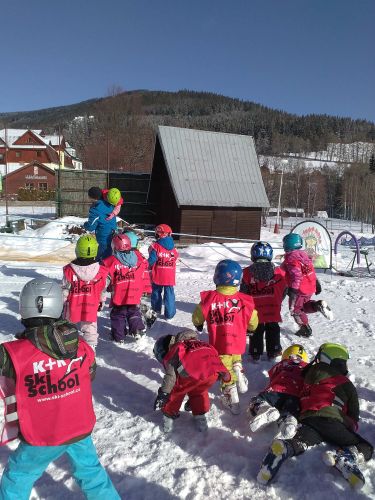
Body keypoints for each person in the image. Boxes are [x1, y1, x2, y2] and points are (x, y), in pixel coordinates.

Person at [0, 278, 120, 500]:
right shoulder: (81, 345)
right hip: (78, 427)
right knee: (92, 474)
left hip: (43, 433)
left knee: (18, 475)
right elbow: (90, 373)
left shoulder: (11, 353)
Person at [257, 343, 373, 490]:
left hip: (308, 419)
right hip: (332, 420)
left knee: (301, 441)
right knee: (366, 447)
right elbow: (354, 413)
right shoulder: (345, 382)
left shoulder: (308, 376)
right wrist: (351, 425)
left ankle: (285, 448)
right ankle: (345, 457)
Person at [192, 259, 258, 414]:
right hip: (238, 339)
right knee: (235, 355)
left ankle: (231, 395)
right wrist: (251, 328)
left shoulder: (209, 299)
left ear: (216, 277)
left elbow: (197, 316)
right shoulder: (244, 300)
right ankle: (238, 369)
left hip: (219, 341)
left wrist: (198, 324)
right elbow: (253, 319)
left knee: (224, 367)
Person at [153, 329, 230, 433]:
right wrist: (224, 373)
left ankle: (168, 419)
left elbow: (171, 375)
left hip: (191, 375)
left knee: (176, 391)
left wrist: (164, 393)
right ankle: (201, 418)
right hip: (211, 375)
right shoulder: (204, 344)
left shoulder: (177, 347)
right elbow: (215, 358)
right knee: (199, 392)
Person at [248, 344, 309, 439]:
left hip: (276, 390)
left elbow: (272, 374)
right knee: (291, 410)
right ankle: (289, 422)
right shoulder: (307, 367)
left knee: (258, 400)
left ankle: (264, 408)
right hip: (295, 395)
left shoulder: (283, 363)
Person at [240, 241, 287, 361]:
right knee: (273, 328)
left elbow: (243, 294)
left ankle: (256, 352)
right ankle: (274, 351)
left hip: (255, 310)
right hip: (273, 308)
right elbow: (284, 289)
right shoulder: (279, 272)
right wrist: (277, 300)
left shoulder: (246, 273)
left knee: (256, 329)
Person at [281, 233, 333, 338]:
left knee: (295, 310)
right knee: (304, 306)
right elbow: (310, 270)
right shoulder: (303, 255)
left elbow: (297, 276)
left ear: (287, 245)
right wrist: (316, 283)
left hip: (299, 290)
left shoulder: (292, 259)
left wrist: (293, 290)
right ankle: (317, 305)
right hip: (309, 287)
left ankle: (305, 329)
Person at [62, 234, 108, 351]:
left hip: (73, 305)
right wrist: (102, 300)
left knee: (67, 325)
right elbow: (103, 288)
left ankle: (68, 345)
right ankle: (91, 347)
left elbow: (65, 289)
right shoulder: (101, 271)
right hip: (91, 305)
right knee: (90, 327)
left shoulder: (69, 270)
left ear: (77, 250)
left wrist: (61, 303)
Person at [102, 233, 147, 342]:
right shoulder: (138, 258)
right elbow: (144, 270)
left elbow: (104, 277)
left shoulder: (111, 261)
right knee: (133, 312)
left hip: (120, 294)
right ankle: (137, 330)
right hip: (135, 293)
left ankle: (118, 336)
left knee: (118, 315)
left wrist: (104, 289)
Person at [148, 224, 179, 320]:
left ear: (159, 234)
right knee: (169, 294)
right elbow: (176, 257)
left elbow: (151, 260)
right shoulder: (173, 247)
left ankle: (156, 310)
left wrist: (147, 265)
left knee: (156, 292)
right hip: (169, 276)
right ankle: (169, 314)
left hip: (158, 275)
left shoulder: (156, 246)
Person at [83, 186, 117, 261]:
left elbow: (91, 226)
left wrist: (85, 224)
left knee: (102, 258)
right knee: (111, 252)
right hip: (113, 232)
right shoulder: (109, 203)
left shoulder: (95, 210)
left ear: (92, 197)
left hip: (104, 236)